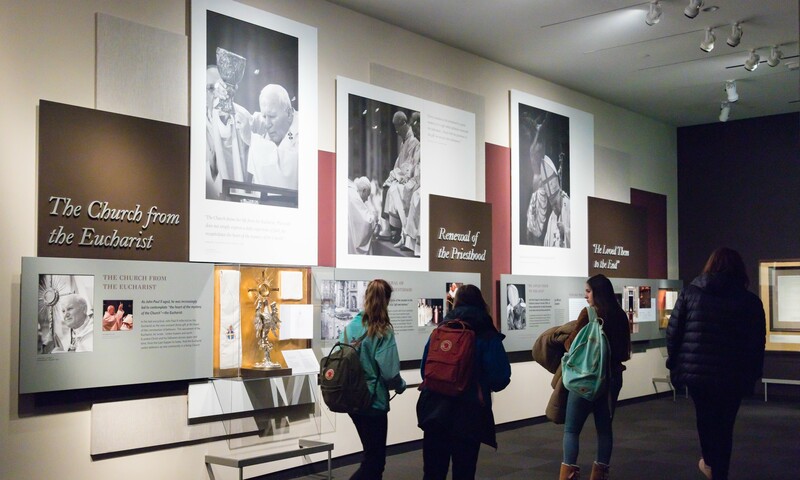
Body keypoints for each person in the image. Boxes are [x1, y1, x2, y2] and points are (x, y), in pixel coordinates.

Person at [666, 247, 765, 480]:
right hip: (733, 377)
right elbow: (756, 342)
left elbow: (673, 332)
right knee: (725, 427)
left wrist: (675, 365)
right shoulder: (750, 301)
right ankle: (719, 472)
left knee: (706, 421)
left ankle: (711, 465)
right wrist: (752, 374)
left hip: (699, 376)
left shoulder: (691, 294)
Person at [417, 284, 511, 480]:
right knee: (464, 471)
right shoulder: (486, 332)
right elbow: (499, 378)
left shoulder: (441, 329)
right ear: (480, 302)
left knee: (433, 472)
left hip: (434, 411)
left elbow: (424, 370)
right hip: (469, 414)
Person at [560, 274, 631, 480]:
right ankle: (599, 475)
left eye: (588, 291)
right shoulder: (620, 316)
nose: (586, 296)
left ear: (597, 293)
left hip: (586, 378)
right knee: (604, 430)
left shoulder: (589, 314)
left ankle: (569, 475)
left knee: (572, 430)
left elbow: (571, 346)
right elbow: (624, 353)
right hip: (611, 379)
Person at [339, 279, 406, 479]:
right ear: (386, 300)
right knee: (375, 461)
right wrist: (400, 386)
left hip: (353, 400)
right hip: (373, 402)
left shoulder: (350, 327)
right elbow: (389, 372)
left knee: (370, 455)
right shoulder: (383, 330)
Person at [205, 65, 253, 199]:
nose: (216, 93)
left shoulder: (240, 114)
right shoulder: (197, 120)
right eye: (210, 88)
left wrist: (223, 114)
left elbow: (226, 133)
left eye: (219, 87)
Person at [247, 84, 299, 190]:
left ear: (289, 114)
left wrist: (251, 139)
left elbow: (288, 170)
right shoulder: (266, 121)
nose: (267, 124)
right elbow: (246, 118)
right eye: (264, 116)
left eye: (272, 116)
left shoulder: (306, 130)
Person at [382, 111, 420, 247]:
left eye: (397, 127)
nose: (396, 131)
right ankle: (388, 229)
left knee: (394, 189)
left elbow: (410, 166)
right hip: (404, 177)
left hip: (411, 180)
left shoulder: (414, 142)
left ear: (404, 124)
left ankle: (398, 231)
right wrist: (395, 174)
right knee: (387, 186)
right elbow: (399, 164)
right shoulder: (404, 142)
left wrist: (400, 176)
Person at [348, 176, 380, 254]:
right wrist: (374, 219)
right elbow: (366, 222)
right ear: (364, 190)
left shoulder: (350, 191)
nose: (366, 200)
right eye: (367, 195)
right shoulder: (354, 197)